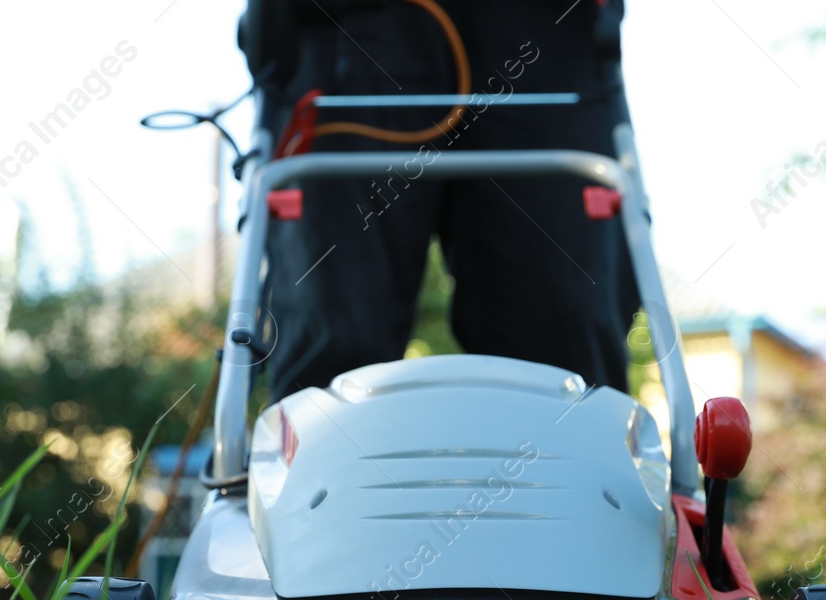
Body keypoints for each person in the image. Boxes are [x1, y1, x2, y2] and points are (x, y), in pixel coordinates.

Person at [238, 0, 638, 401]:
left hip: (544, 34)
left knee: (562, 340)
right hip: (346, 29)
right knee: (336, 341)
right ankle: (319, 459)